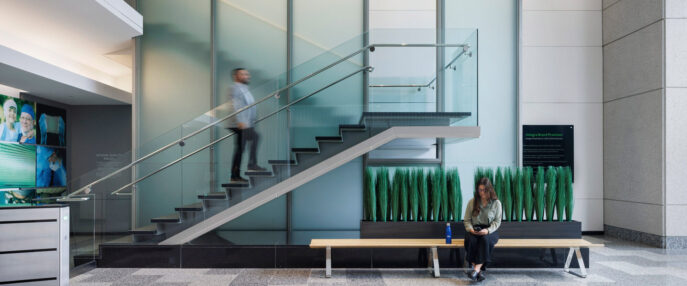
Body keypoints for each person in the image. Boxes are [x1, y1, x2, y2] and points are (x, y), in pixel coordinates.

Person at [228, 68, 266, 183]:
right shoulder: (235, 88)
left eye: (247, 74)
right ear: (236, 76)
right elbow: (234, 104)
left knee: (240, 149)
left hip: (247, 124)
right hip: (240, 124)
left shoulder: (245, 89)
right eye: (242, 74)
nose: (246, 76)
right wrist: (239, 121)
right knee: (255, 138)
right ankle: (251, 165)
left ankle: (235, 176)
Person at [463, 177, 502, 282]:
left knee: (485, 240)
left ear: (489, 189)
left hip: (490, 230)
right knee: (470, 240)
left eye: (485, 190)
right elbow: (467, 220)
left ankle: (475, 269)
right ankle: (479, 272)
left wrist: (487, 231)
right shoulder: (472, 202)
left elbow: (497, 222)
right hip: (474, 229)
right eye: (480, 190)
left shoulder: (496, 203)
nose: (482, 192)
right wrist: (471, 230)